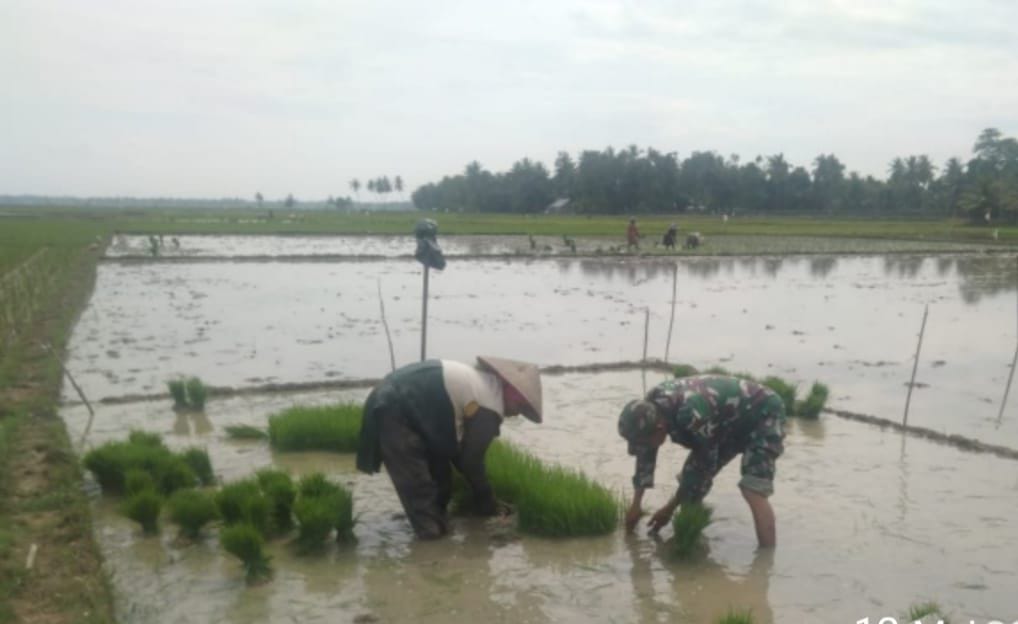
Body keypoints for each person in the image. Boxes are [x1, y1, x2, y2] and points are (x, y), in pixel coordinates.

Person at [356, 356, 542, 539]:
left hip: (402, 401)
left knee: (441, 478)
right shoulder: (489, 405)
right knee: (420, 489)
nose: (517, 413)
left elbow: (459, 454)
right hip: (394, 408)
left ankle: (438, 539)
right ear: (509, 388)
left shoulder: (482, 385)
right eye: (520, 406)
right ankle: (430, 539)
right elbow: (471, 461)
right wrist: (487, 501)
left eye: (522, 410)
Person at [617, 375, 785, 548]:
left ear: (660, 428)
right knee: (691, 488)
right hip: (724, 420)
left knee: (752, 489)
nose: (641, 448)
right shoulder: (649, 409)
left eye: (643, 442)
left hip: (762, 412)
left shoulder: (691, 416)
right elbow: (646, 455)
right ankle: (692, 541)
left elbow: (704, 467)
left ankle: (765, 565)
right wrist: (636, 504)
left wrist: (669, 509)